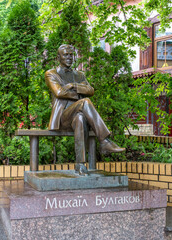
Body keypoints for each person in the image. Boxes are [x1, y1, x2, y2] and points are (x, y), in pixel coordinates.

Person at [45, 44, 125, 175]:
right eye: (66, 55)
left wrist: (73, 86)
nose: (69, 58)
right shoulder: (51, 74)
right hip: (63, 117)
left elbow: (91, 90)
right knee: (85, 102)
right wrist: (81, 93)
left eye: (71, 55)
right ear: (58, 57)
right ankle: (104, 141)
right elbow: (59, 92)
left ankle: (80, 165)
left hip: (77, 115)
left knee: (80, 118)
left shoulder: (79, 75)